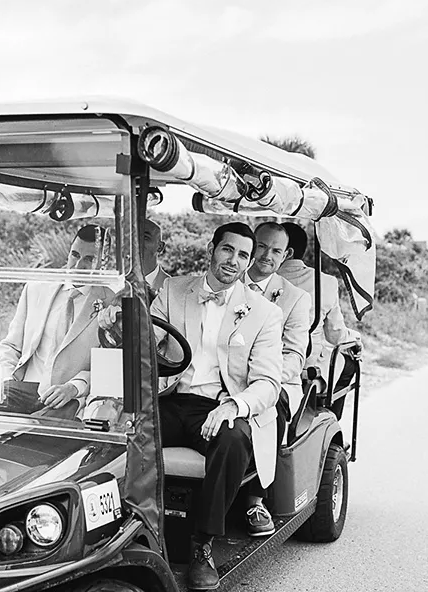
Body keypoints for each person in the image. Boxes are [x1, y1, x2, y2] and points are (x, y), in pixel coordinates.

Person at [151, 222, 282, 590]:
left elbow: (269, 384)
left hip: (219, 406)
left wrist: (233, 406)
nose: (234, 260)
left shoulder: (263, 312)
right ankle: (132, 526)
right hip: (172, 396)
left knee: (232, 439)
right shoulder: (174, 290)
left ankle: (202, 546)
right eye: (228, 250)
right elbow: (148, 342)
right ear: (212, 249)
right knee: (128, 430)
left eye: (243, 255)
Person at [0, 224, 114, 419]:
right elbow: (10, 346)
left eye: (89, 259)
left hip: (64, 401)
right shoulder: (36, 288)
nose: (78, 266)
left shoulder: (111, 302)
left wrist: (73, 388)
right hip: (20, 389)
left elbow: (108, 369)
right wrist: (7, 380)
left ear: (104, 262)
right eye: (75, 255)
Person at [241, 222, 310, 536]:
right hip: (220, 375)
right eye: (260, 246)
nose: (266, 255)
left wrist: (263, 380)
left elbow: (295, 356)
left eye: (276, 250)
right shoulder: (227, 281)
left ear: (286, 255)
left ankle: (254, 499)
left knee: (271, 405)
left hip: (275, 380)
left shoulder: (295, 298)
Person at [277, 222, 362, 415]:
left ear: (285, 252)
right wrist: (354, 337)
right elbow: (335, 335)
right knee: (349, 362)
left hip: (270, 356)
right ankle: (328, 414)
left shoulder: (257, 279)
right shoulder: (327, 282)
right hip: (306, 363)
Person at [142, 218, 169, 297]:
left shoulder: (172, 289)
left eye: (145, 237)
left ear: (160, 247)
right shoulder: (115, 285)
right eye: (132, 237)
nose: (136, 242)